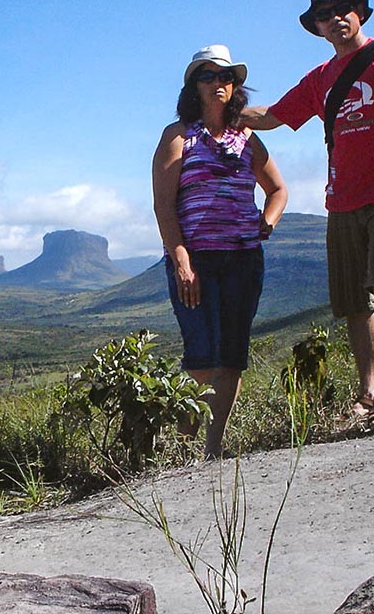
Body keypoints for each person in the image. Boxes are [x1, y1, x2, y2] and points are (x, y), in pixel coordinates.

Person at [239, 0, 374, 432]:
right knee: (353, 300)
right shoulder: (321, 79)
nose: (337, 18)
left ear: (360, 13)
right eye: (327, 14)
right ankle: (367, 392)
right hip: (341, 200)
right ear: (319, 28)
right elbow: (271, 116)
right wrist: (222, 109)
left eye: (344, 9)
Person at [152, 44, 288, 459]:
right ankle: (184, 442)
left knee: (232, 354)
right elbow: (164, 204)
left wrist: (267, 221)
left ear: (235, 86)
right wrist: (181, 262)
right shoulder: (177, 136)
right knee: (199, 353)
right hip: (196, 258)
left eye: (225, 77)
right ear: (193, 86)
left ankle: (213, 448)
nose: (218, 84)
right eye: (207, 76)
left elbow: (277, 189)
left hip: (243, 258)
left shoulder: (246, 139)